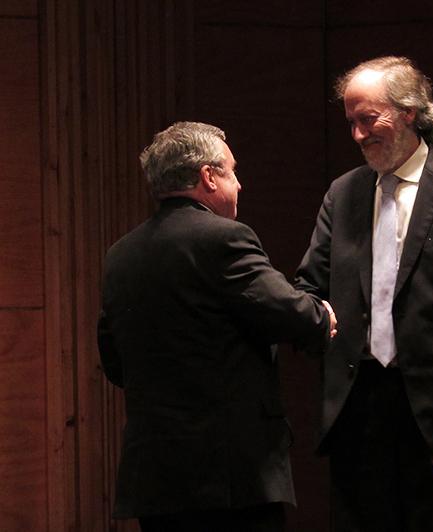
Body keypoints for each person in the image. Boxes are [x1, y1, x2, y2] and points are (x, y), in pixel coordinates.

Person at [295, 56, 433, 531]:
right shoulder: (344, 193)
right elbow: (310, 287)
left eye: (368, 119)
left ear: (409, 112)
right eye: (351, 122)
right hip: (358, 412)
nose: (357, 134)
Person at [98, 121, 336, 532]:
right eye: (232, 170)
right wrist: (323, 316)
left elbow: (114, 361)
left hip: (155, 478)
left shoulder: (120, 254)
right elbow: (289, 312)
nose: (240, 184)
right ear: (208, 176)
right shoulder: (223, 239)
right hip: (229, 477)